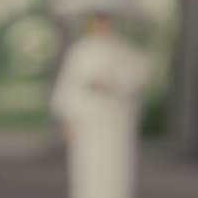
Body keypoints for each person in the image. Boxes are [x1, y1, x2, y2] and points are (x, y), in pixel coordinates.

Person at [50, 11, 148, 198]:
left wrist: (112, 83)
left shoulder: (123, 49)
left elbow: (136, 79)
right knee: (88, 169)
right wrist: (68, 119)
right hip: (88, 121)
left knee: (115, 170)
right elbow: (68, 84)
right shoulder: (81, 50)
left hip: (114, 121)